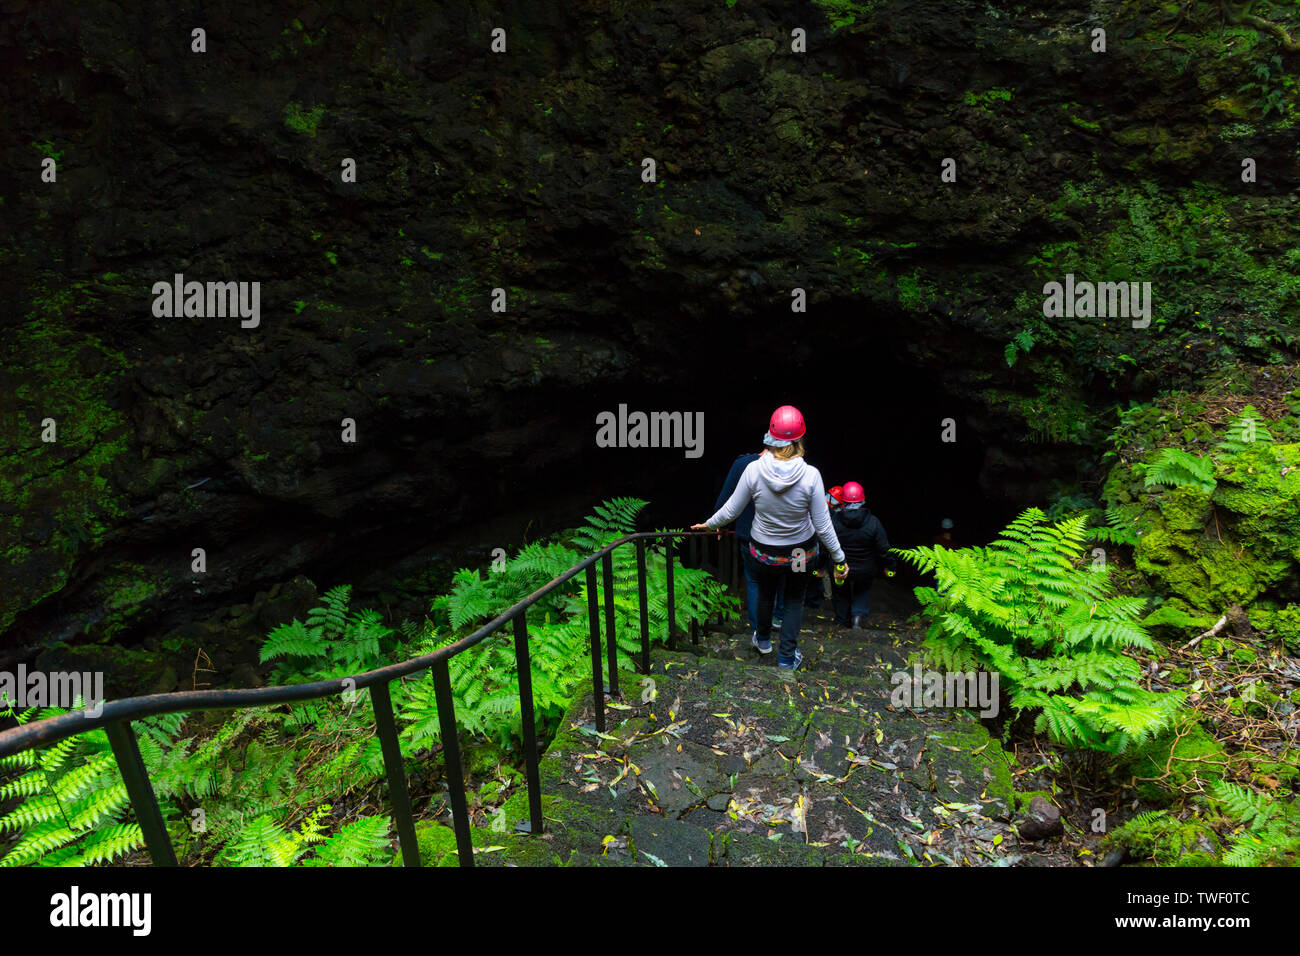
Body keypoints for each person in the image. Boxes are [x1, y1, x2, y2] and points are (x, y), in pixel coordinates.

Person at [693, 405, 846, 672]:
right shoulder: (811, 476)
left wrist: (709, 524)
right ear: (799, 439)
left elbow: (731, 509)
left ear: (770, 437)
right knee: (793, 599)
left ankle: (763, 641)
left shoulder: (753, 470)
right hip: (799, 553)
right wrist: (839, 557)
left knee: (764, 594)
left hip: (763, 553)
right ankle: (786, 658)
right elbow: (822, 525)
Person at [713, 450, 785, 641]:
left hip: (749, 534)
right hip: (784, 537)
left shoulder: (743, 464)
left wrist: (720, 523)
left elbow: (726, 496)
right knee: (785, 576)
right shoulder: (793, 465)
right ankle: (779, 617)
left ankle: (758, 631)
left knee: (755, 582)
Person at [831, 481, 896, 629]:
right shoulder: (873, 522)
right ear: (863, 500)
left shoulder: (834, 521)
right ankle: (857, 618)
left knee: (841, 592)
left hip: (841, 567)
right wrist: (890, 565)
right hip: (865, 568)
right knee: (863, 590)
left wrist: (819, 566)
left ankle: (841, 622)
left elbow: (825, 545)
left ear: (843, 501)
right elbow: (884, 548)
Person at [804, 485, 847, 610]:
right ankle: (811, 604)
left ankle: (799, 603)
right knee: (813, 577)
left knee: (799, 574)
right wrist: (820, 565)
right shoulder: (830, 514)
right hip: (813, 550)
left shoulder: (811, 503)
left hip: (799, 548)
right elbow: (824, 539)